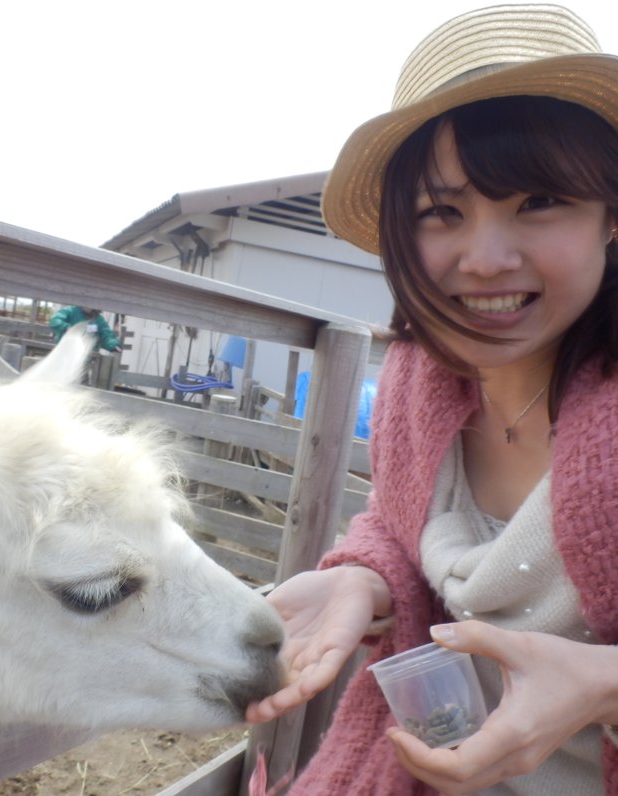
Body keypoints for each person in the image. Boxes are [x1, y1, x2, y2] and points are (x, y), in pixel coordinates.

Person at [245, 5, 618, 794]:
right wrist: (364, 579)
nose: (484, 260)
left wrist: (603, 684)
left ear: (610, 217)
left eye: (539, 202)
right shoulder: (418, 378)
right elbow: (397, 515)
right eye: (441, 212)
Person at [48, 305, 123, 352]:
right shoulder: (70, 310)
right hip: (64, 350)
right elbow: (55, 320)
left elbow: (106, 335)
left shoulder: (99, 320)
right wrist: (67, 328)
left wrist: (113, 345)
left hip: (85, 356)